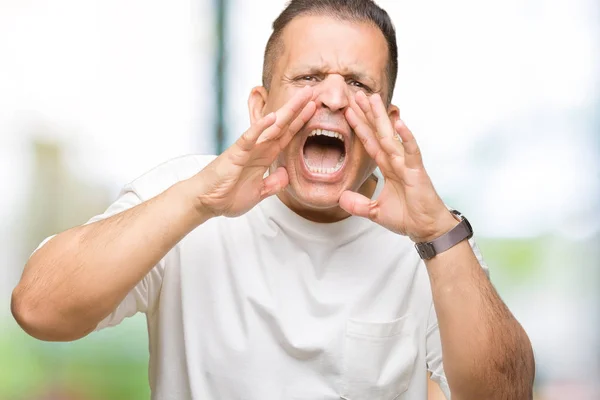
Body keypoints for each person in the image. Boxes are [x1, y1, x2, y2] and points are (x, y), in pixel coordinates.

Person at [11, 0, 535, 399]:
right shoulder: (187, 194)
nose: (332, 98)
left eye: (357, 84)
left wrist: (437, 234)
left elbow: (506, 394)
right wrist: (200, 201)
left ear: (389, 122)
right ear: (261, 107)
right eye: (308, 78)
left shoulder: (435, 237)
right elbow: (39, 310)